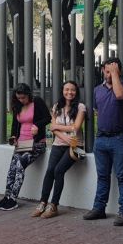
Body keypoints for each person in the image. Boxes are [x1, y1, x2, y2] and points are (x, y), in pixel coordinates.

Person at [84, 58, 123, 226]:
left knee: (122, 176)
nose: (109, 74)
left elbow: (119, 95)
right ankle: (99, 208)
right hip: (101, 139)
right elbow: (97, 111)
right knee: (102, 176)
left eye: (112, 71)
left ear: (119, 72)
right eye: (107, 71)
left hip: (120, 138)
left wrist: (114, 75)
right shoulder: (97, 90)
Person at [32, 81, 86, 219]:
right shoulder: (57, 106)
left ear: (76, 92)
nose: (69, 92)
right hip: (59, 143)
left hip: (75, 146)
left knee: (58, 170)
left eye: (72, 90)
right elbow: (52, 128)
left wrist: (58, 127)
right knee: (50, 170)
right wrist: (65, 137)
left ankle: (54, 205)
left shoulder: (80, 107)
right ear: (62, 91)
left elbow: (76, 127)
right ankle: (43, 202)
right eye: (67, 89)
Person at [0, 83, 51, 211]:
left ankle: (13, 199)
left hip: (36, 144)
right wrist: (13, 137)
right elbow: (15, 124)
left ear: (29, 95)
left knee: (20, 164)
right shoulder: (18, 105)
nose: (21, 100)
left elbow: (48, 118)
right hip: (21, 144)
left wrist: (37, 125)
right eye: (19, 98)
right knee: (12, 168)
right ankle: (7, 196)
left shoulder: (37, 102)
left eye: (23, 98)